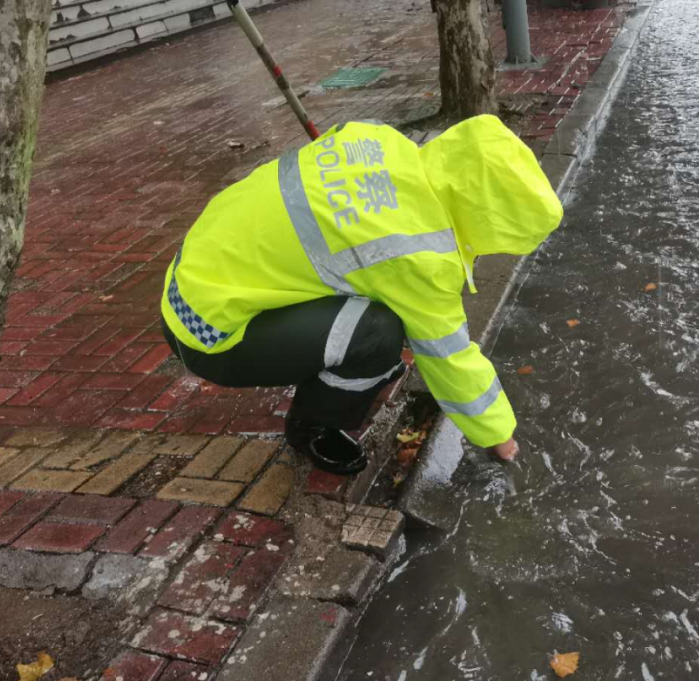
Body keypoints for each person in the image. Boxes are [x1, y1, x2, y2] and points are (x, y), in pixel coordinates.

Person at [160, 114, 563, 475]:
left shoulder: (378, 138)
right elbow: (449, 356)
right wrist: (499, 435)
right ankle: (311, 427)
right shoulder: (418, 253)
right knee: (379, 334)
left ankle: (341, 368)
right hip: (209, 334)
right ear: (488, 219)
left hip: (188, 282)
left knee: (377, 306)